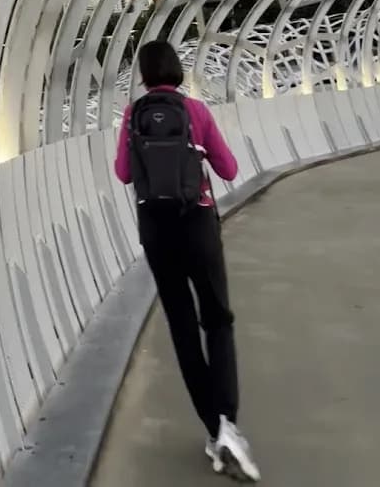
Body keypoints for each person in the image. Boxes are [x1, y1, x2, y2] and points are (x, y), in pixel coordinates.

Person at [115, 40, 260, 482]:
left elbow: (123, 173)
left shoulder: (133, 114)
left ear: (142, 74)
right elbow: (230, 170)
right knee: (217, 319)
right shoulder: (195, 111)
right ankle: (228, 425)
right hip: (197, 223)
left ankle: (214, 428)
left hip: (157, 232)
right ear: (177, 70)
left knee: (182, 326)